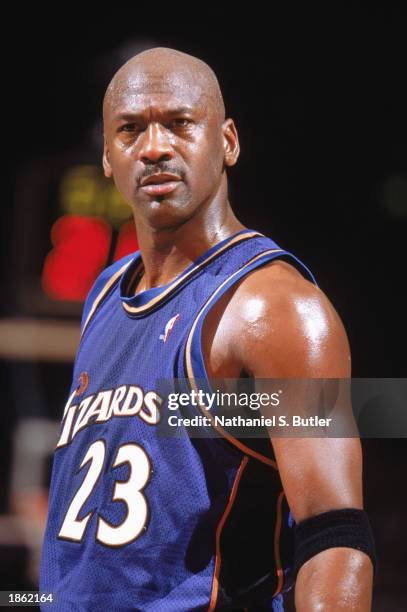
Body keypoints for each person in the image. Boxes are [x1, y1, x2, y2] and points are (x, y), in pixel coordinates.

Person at [40, 47, 375, 611]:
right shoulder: (103, 294)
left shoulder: (274, 310)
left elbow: (335, 537)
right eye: (130, 130)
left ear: (227, 142)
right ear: (106, 156)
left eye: (178, 124)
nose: (154, 148)